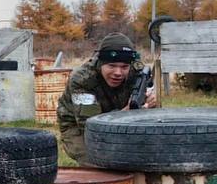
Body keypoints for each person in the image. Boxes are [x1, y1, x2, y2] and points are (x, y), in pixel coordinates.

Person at [57, 32, 159, 164]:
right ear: (100, 63)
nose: (118, 73)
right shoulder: (82, 79)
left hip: (121, 115)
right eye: (111, 66)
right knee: (98, 163)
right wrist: (126, 113)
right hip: (78, 126)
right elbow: (90, 126)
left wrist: (150, 101)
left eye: (124, 67)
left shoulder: (138, 73)